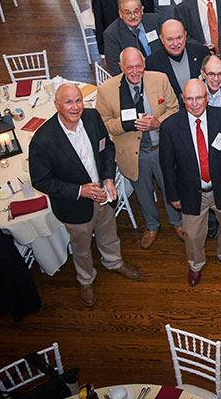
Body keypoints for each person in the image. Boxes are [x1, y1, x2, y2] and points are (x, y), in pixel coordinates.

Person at [31, 84, 140, 307]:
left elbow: (107, 148)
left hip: (102, 194)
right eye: (69, 102)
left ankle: (113, 261)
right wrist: (79, 191)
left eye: (78, 100)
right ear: (56, 105)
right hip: (74, 205)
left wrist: (108, 178)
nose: (75, 107)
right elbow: (41, 181)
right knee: (81, 248)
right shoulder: (43, 140)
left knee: (109, 232)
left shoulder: (91, 118)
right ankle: (86, 279)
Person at [96, 47, 181, 249]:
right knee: (143, 194)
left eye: (138, 66)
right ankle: (152, 225)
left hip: (161, 149)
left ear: (144, 64)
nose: (135, 72)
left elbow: (174, 109)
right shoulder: (106, 90)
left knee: (171, 188)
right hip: (134, 155)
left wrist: (158, 122)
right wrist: (126, 124)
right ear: (120, 67)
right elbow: (103, 124)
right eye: (129, 68)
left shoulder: (160, 79)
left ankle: (178, 222)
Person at [160, 79, 221, 286]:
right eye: (189, 99)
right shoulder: (170, 126)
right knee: (193, 234)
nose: (194, 103)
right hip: (190, 192)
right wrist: (173, 195)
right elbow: (167, 166)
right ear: (182, 99)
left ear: (207, 98)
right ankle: (195, 264)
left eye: (199, 98)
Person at [146, 19, 209, 106]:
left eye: (179, 38)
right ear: (162, 39)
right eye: (169, 39)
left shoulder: (201, 52)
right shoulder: (152, 63)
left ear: (185, 35)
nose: (175, 43)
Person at [102, 0, 164, 75]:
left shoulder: (155, 21)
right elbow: (114, 67)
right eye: (128, 13)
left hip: (161, 71)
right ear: (120, 14)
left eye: (136, 11)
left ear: (142, 11)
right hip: (134, 76)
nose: (133, 16)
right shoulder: (112, 34)